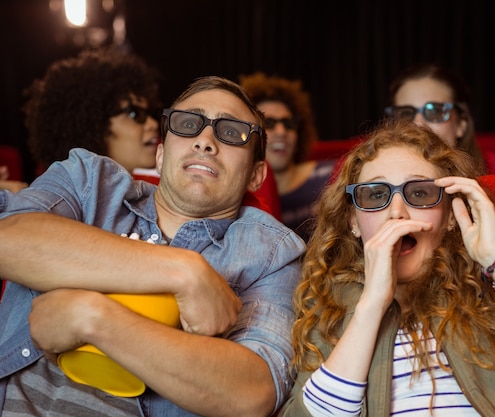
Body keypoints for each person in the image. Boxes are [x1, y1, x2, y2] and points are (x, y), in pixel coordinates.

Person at [0, 75, 306, 416]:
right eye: (188, 124)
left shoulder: (273, 253)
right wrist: (182, 272)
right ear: (161, 155)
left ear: (256, 175)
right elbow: (8, 239)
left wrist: (91, 316)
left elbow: (253, 393)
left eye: (232, 132)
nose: (205, 141)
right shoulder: (89, 180)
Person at [279, 119, 495, 416]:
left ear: (450, 217)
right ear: (353, 221)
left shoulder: (494, 283)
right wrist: (372, 305)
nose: (397, 213)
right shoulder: (332, 304)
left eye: (420, 193)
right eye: (376, 194)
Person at [22, 45, 162, 176]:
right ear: (93, 125)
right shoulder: (60, 201)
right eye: (134, 113)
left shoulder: (140, 196)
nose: (153, 124)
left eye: (148, 113)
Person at [240, 72, 336, 241]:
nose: (281, 132)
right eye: (268, 123)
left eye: (289, 124)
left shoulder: (332, 175)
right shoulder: (238, 195)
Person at [384, 63, 495, 175]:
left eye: (435, 111)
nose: (418, 123)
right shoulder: (377, 173)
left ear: (461, 124)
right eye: (405, 114)